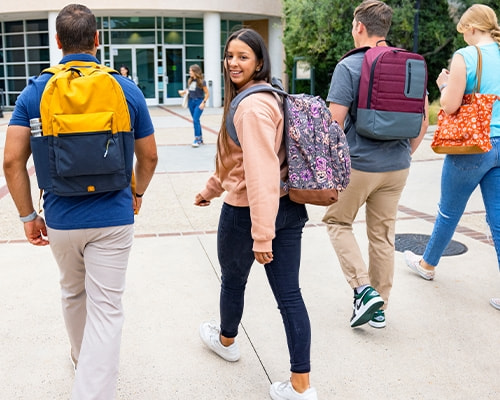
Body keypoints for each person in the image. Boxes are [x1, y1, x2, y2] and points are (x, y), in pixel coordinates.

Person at [3, 4, 158, 399]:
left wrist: (27, 215)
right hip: (113, 216)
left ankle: (80, 358)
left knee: (73, 292)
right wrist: (137, 193)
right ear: (97, 40)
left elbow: (10, 160)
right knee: (107, 309)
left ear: (58, 43)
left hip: (61, 217)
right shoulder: (125, 89)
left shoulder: (35, 91)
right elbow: (151, 156)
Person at [195, 28, 318, 400]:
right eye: (230, 55)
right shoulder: (271, 96)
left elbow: (259, 172)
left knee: (234, 282)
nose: (234, 62)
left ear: (259, 62)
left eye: (243, 56)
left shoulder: (251, 107)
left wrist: (261, 234)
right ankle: (300, 386)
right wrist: (210, 190)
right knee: (290, 296)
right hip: (288, 207)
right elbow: (237, 162)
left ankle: (228, 341)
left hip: (250, 214)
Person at [322, 0, 429, 329]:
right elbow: (422, 119)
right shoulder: (409, 64)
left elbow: (333, 123)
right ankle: (379, 307)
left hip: (359, 165)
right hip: (397, 165)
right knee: (382, 236)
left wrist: (328, 167)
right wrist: (405, 154)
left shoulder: (350, 66)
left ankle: (363, 290)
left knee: (338, 222)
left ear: (359, 27)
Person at [403, 4, 500, 311]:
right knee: (497, 219)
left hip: (473, 144)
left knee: (448, 211)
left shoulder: (466, 56)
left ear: (471, 29)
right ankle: (428, 263)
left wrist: (444, 85)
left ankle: (428, 264)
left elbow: (450, 106)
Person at [178, 64, 209, 148]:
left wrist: (204, 102)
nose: (189, 72)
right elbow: (191, 90)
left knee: (195, 120)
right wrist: (183, 92)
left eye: (191, 71)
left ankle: (197, 139)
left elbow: (207, 93)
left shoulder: (202, 82)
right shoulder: (190, 80)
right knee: (196, 120)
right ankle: (200, 139)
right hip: (191, 102)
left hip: (199, 102)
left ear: (195, 72)